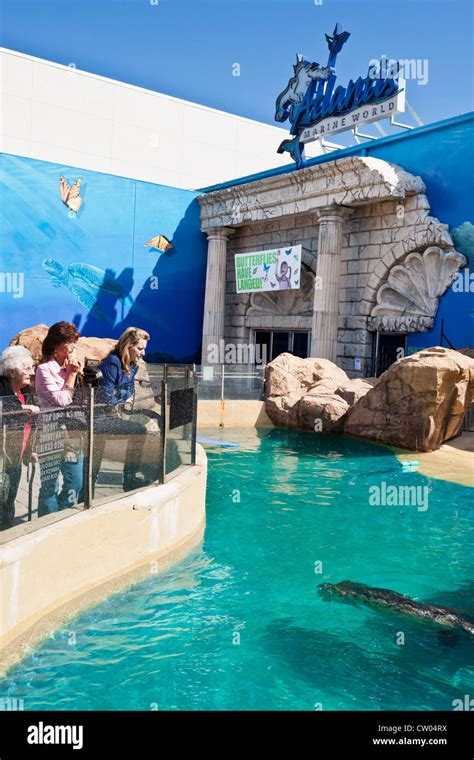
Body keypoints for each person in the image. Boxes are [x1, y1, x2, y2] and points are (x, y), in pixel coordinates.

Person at [93, 327, 159, 493]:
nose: (143, 353)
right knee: (138, 431)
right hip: (99, 417)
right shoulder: (112, 362)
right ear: (128, 346)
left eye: (144, 349)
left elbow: (129, 390)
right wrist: (121, 396)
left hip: (112, 414)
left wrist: (120, 394)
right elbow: (106, 397)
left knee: (139, 431)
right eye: (140, 348)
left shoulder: (132, 365)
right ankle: (127, 479)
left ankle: (129, 477)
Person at [35, 322, 84, 516]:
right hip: (51, 434)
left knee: (75, 481)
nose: (73, 348)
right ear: (56, 345)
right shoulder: (44, 370)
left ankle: (64, 516)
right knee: (49, 485)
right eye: (69, 343)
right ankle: (46, 525)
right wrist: (71, 375)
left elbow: (84, 399)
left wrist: (80, 375)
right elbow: (61, 400)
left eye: (74, 342)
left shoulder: (73, 368)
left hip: (72, 434)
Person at [0, 346, 39, 530]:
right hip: (2, 460)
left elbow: (29, 426)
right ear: (11, 371)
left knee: (9, 504)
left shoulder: (26, 392)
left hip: (17, 455)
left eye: (32, 367)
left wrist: (29, 450)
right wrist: (23, 409)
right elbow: (4, 409)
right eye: (27, 368)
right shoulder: (2, 388)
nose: (32, 372)